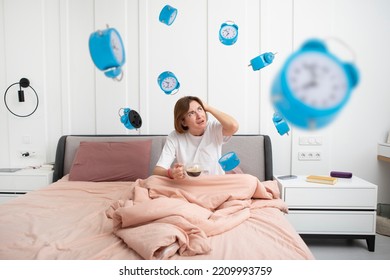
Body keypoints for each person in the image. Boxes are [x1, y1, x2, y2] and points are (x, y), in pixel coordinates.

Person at [153, 96, 239, 179]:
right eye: (191, 113)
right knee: (151, 182)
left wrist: (208, 108)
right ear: (183, 122)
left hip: (215, 183)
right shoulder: (174, 137)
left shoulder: (214, 128)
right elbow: (157, 171)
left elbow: (233, 126)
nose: (199, 116)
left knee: (249, 180)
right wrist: (171, 173)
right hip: (190, 185)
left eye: (200, 109)